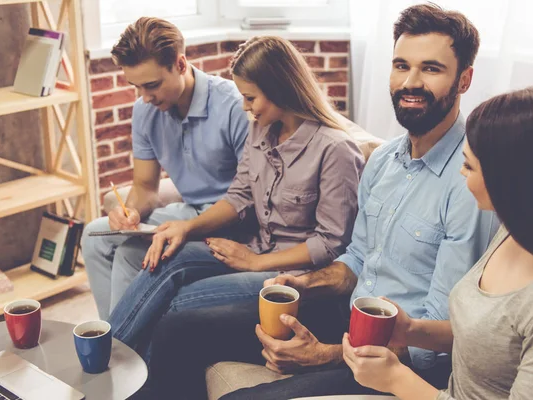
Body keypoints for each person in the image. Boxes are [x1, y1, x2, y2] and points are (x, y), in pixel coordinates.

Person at [146, 4, 499, 400]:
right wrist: (306, 283)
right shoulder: (383, 161)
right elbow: (357, 260)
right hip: (347, 317)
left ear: (464, 80)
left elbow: (438, 337)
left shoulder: (471, 182)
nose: (410, 82)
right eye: (401, 65)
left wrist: (325, 356)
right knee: (177, 330)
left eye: (431, 69)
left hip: (400, 360)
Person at [107, 36, 365, 352]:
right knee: (167, 259)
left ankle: (117, 368)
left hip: (292, 274)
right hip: (255, 249)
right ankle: (109, 354)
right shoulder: (261, 128)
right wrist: (186, 228)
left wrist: (259, 263)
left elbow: (331, 243)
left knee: (175, 303)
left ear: (281, 89)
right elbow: (240, 195)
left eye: (251, 98)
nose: (245, 107)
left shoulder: (336, 149)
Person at [343, 87, 533, 400]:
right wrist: (412, 330)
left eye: (469, 166)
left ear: (509, 180)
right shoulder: (513, 233)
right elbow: (490, 340)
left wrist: (396, 379)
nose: (461, 175)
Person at [80, 17, 249, 320]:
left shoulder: (234, 106)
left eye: (152, 85)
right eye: (136, 87)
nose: (144, 97)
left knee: (132, 255)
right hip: (189, 210)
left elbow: (249, 199)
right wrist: (130, 212)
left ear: (181, 64)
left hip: (231, 220)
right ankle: (111, 337)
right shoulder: (145, 110)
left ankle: (120, 349)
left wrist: (187, 228)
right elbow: (145, 186)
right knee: (94, 236)